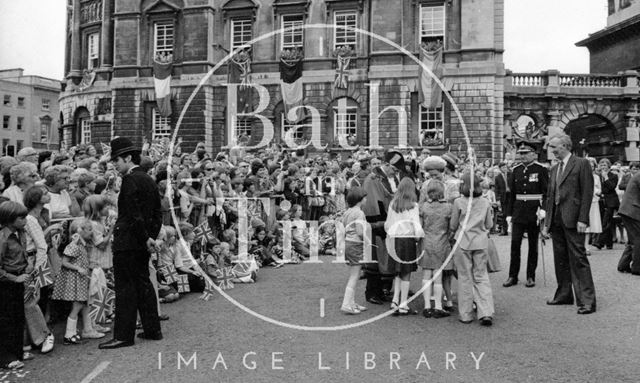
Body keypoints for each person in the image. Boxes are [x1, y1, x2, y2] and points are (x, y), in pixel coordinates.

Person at [99, 137, 163, 349]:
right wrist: (150, 237)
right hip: (142, 242)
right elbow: (157, 213)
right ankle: (153, 329)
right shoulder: (148, 179)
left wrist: (145, 237)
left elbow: (133, 215)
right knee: (143, 284)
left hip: (128, 242)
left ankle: (124, 336)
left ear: (128, 158)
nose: (114, 164)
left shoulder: (129, 180)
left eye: (116, 160)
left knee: (126, 289)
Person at [542, 133, 596, 314]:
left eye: (554, 147)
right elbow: (550, 197)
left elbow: (586, 193)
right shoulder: (554, 169)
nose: (552, 150)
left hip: (574, 220)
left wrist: (583, 219)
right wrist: (546, 224)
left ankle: (586, 300)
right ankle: (564, 294)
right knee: (560, 259)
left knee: (579, 259)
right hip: (557, 219)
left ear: (565, 146)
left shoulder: (582, 164)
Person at [450, 172, 495, 326]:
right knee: (481, 277)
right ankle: (486, 312)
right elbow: (489, 225)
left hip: (463, 242)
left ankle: (466, 314)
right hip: (481, 242)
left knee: (464, 278)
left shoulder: (458, 202)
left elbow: (453, 225)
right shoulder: (485, 202)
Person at [51, 218, 105, 344]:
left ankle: (72, 333)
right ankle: (69, 334)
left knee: (79, 305)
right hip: (75, 280)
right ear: (80, 231)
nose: (92, 232)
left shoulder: (81, 245)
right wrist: (78, 268)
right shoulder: (74, 245)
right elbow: (64, 262)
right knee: (77, 306)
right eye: (89, 229)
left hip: (79, 280)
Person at [503, 143, 548, 288]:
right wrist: (509, 214)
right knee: (515, 244)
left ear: (534, 154)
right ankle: (512, 276)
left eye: (525, 153)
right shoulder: (515, 170)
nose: (522, 156)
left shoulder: (540, 170)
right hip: (518, 211)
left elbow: (546, 193)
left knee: (533, 245)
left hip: (534, 211)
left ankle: (530, 276)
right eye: (520, 153)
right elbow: (511, 195)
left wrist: (544, 210)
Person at [384, 177, 424, 316]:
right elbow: (416, 225)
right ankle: (403, 304)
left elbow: (388, 224)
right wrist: (418, 238)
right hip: (407, 240)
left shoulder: (393, 204)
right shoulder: (414, 205)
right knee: (406, 273)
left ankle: (395, 301)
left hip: (394, 239)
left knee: (397, 272)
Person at [0, 201, 31, 370]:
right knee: (6, 321)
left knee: (18, 318)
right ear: (9, 219)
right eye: (21, 217)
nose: (25, 220)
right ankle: (5, 357)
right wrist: (14, 278)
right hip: (6, 284)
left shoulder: (20, 233)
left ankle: (16, 351)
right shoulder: (3, 237)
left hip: (19, 278)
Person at [419, 179, 452, 319]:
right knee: (438, 276)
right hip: (442, 242)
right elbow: (451, 228)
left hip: (426, 242)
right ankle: (438, 306)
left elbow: (420, 227)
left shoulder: (424, 207)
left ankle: (427, 306)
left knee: (426, 275)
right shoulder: (448, 207)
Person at [340, 187, 369, 314]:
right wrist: (368, 240)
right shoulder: (359, 213)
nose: (366, 199)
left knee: (354, 274)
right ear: (360, 199)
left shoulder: (347, 212)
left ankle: (351, 302)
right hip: (356, 244)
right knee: (355, 275)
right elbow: (360, 231)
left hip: (348, 243)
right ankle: (346, 303)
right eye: (365, 197)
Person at [617, 168, 640, 275]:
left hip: (628, 210)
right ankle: (637, 268)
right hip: (632, 210)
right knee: (638, 239)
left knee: (633, 239)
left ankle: (623, 265)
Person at [593, 158, 619, 250]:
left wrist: (606, 178)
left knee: (606, 221)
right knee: (607, 222)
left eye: (605, 165)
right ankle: (609, 243)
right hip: (601, 201)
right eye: (601, 165)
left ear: (609, 166)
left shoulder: (613, 176)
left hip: (611, 201)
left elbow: (611, 187)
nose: (603, 167)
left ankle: (599, 242)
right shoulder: (598, 176)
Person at [585, 158, 602, 255]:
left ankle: (586, 246)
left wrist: (597, 192)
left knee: (591, 226)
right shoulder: (582, 176)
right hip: (585, 203)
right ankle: (584, 247)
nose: (590, 168)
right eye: (589, 166)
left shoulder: (596, 177)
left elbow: (599, 189)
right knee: (585, 225)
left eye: (592, 166)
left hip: (594, 202)